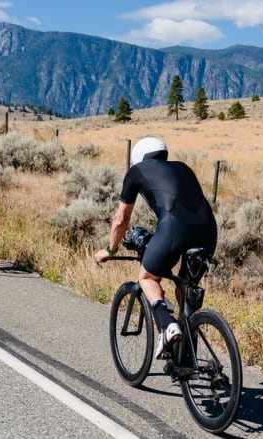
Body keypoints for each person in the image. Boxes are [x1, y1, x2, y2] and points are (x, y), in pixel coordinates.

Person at [95, 136, 217, 360]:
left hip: (173, 228)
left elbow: (121, 218)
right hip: (208, 230)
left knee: (148, 277)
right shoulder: (183, 167)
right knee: (186, 289)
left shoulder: (137, 171)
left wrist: (110, 250)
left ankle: (167, 326)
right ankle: (188, 352)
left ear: (138, 158)